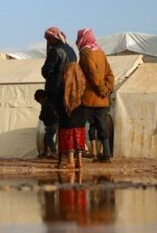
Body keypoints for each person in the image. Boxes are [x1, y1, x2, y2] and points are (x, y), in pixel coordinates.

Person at [77, 29, 115, 163]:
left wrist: (101, 89)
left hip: (90, 97)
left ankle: (78, 154)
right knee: (102, 126)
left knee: (83, 125)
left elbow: (93, 74)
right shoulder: (100, 52)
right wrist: (107, 89)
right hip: (102, 98)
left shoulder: (85, 52)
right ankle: (106, 154)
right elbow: (109, 74)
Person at [57, 59, 88, 171]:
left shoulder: (62, 86)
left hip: (67, 119)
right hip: (80, 119)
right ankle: (79, 160)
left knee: (69, 138)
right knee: (79, 138)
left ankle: (70, 161)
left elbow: (59, 102)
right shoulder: (83, 84)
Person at [41, 27, 77, 118]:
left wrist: (53, 79)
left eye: (48, 38)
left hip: (57, 91)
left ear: (54, 37)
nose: (48, 41)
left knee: (53, 122)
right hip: (70, 88)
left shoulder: (55, 51)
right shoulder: (71, 50)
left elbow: (46, 71)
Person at [34, 89, 59, 158]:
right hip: (51, 123)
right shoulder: (48, 103)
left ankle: (53, 152)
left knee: (48, 137)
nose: (39, 103)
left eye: (39, 101)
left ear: (42, 98)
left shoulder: (47, 104)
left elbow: (44, 115)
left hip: (52, 123)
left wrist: (42, 117)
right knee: (46, 138)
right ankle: (46, 152)